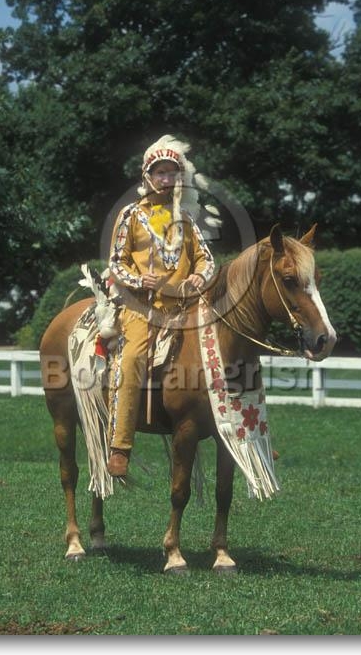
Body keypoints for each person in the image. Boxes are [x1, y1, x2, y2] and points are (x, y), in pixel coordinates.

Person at [106, 135, 215, 479]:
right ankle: (120, 445)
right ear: (148, 176)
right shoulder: (130, 215)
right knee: (132, 356)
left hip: (184, 306)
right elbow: (116, 263)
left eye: (172, 173)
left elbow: (207, 259)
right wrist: (140, 281)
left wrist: (199, 276)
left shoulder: (187, 219)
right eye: (160, 173)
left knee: (225, 350)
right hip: (142, 307)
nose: (167, 179)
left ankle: (243, 430)